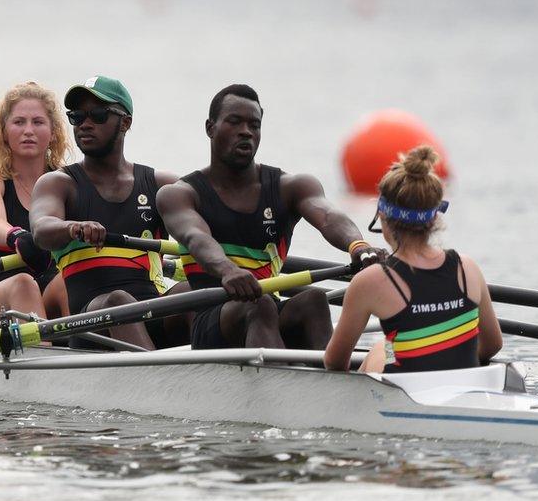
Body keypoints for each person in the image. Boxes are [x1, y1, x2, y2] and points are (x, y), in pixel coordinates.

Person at [157, 84, 382, 351]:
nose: (246, 131)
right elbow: (196, 238)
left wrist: (359, 246)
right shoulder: (179, 195)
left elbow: (328, 216)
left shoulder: (291, 187)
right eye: (235, 122)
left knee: (313, 301)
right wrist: (229, 270)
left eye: (254, 125)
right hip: (212, 319)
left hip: (267, 311)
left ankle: (334, 382)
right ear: (210, 128)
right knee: (259, 304)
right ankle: (286, 381)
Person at [30, 75, 190, 350]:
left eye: (99, 114)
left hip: (152, 315)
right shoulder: (58, 184)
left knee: (195, 291)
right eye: (77, 117)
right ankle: (159, 381)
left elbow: (210, 220)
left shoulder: (161, 185)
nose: (86, 124)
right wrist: (72, 228)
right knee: (119, 300)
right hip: (92, 324)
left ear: (125, 122)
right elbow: (42, 229)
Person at [324, 146, 502, 373]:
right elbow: (493, 344)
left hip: (403, 396)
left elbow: (334, 362)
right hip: (463, 389)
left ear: (382, 216)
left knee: (381, 348)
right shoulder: (468, 268)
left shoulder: (370, 281)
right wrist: (445, 356)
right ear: (434, 218)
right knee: (390, 346)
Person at [0, 81, 71, 329]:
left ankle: (89, 354)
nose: (28, 130)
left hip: (49, 291)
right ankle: (46, 361)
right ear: (3, 132)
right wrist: (16, 237)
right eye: (19, 122)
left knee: (72, 279)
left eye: (38, 122)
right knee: (24, 283)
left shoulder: (67, 182)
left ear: (53, 132)